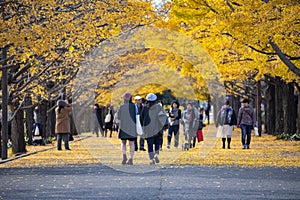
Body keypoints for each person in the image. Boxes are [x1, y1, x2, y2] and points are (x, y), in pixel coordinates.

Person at [140, 93, 167, 165]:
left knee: (150, 144)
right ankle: (156, 155)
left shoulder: (145, 108)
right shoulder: (158, 107)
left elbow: (141, 119)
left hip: (148, 130)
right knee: (157, 143)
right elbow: (163, 117)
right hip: (157, 129)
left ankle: (151, 159)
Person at [115, 92, 137, 165]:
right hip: (132, 127)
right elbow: (137, 116)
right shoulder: (134, 106)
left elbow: (118, 117)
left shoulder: (121, 107)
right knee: (132, 143)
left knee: (123, 142)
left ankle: (124, 155)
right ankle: (131, 158)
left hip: (123, 126)